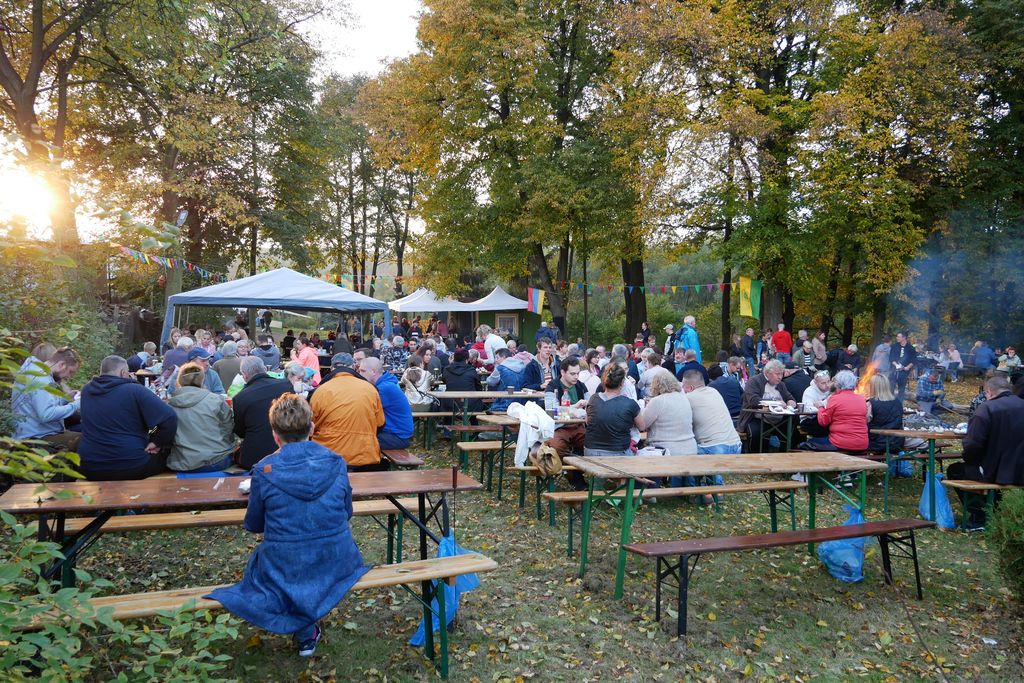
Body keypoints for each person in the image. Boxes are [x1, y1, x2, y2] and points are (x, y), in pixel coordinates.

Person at [207, 393, 368, 657]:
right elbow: (346, 512)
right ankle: (307, 631)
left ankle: (306, 633)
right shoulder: (336, 462)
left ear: (275, 435)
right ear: (312, 428)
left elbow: (254, 524)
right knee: (298, 562)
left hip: (288, 563)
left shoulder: (264, 470)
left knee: (282, 566)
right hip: (336, 558)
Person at [77, 355, 178, 480]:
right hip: (131, 464)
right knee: (170, 455)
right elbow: (170, 418)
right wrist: (157, 442)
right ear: (123, 372)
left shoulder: (86, 390)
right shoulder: (135, 390)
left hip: (88, 466)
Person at [946, 375, 1024, 529]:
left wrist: (971, 460)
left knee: (955, 470)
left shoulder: (987, 408)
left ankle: (979, 517)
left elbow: (972, 444)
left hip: (995, 472)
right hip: (1020, 471)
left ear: (989, 392)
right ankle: (996, 511)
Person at [311, 352, 386, 470]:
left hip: (327, 454)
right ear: (353, 367)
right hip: (364, 455)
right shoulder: (370, 389)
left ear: (331, 368)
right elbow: (380, 424)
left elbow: (311, 425)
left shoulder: (320, 390)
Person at [166, 362, 235, 473]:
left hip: (184, 463)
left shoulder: (169, 406)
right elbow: (229, 428)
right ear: (202, 380)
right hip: (218, 460)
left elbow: (160, 432)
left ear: (179, 380)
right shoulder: (216, 400)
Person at [11, 346, 82, 450]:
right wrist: (76, 404)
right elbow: (47, 414)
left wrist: (65, 399)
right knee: (90, 441)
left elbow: (38, 403)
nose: (69, 376)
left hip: (34, 432)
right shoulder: (41, 378)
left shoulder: (35, 370)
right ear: (62, 365)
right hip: (34, 437)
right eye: (70, 372)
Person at [233, 356, 294, 469]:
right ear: (265, 369)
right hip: (287, 452)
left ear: (244, 375)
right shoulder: (286, 385)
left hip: (255, 457)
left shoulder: (240, 398)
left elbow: (240, 432)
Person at [681, 370, 742, 480]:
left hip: (716, 449)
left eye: (683, 386)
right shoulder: (714, 391)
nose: (682, 389)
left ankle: (698, 487)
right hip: (736, 445)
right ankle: (710, 483)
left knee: (684, 455)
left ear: (690, 388)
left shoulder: (689, 398)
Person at [584, 363, 642, 456]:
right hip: (618, 453)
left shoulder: (593, 399)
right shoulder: (630, 404)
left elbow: (587, 422)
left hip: (591, 451)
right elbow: (642, 426)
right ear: (622, 382)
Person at [802, 371, 868, 452]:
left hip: (841, 443)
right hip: (862, 443)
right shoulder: (861, 399)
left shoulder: (835, 399)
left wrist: (820, 407)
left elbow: (823, 421)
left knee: (808, 443)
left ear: (838, 384)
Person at [737, 359, 796, 450]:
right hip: (757, 418)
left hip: (779, 420)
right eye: (777, 374)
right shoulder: (754, 381)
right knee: (755, 434)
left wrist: (791, 403)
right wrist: (776, 404)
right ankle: (756, 456)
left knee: (794, 432)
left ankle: (786, 455)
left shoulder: (781, 384)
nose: (780, 377)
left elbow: (790, 398)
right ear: (767, 373)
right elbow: (753, 401)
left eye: (781, 374)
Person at [358, 357, 414, 452]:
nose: (359, 374)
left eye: (362, 371)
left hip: (398, 437)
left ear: (373, 371)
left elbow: (364, 410)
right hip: (393, 433)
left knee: (356, 441)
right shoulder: (384, 384)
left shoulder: (384, 388)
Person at [639, 371, 696, 457]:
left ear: (656, 385)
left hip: (666, 451)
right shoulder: (684, 398)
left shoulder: (657, 401)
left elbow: (642, 425)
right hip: (690, 448)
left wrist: (644, 407)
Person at [864, 373, 903, 454]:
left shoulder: (870, 404)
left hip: (877, 443)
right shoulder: (898, 402)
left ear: (873, 387)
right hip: (897, 442)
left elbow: (865, 422)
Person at [486, 347, 531, 412]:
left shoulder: (500, 368)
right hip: (522, 403)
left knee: (489, 410)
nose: (496, 360)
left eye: (497, 358)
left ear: (504, 357)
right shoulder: (523, 366)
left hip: (504, 404)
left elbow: (490, 382)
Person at [889, 331, 917, 402]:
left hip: (904, 372)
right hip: (894, 371)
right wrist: (896, 365)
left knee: (901, 390)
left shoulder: (911, 348)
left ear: (904, 337)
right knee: (891, 388)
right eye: (897, 336)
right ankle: (889, 403)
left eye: (898, 337)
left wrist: (907, 367)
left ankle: (899, 404)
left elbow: (914, 360)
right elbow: (891, 358)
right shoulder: (894, 346)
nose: (897, 338)